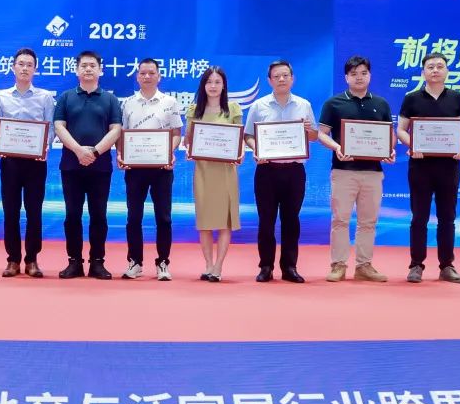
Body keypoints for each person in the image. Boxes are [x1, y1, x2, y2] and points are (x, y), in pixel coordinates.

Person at [317, 55, 395, 283]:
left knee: (368, 222)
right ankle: (338, 265)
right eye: (354, 74)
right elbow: (321, 133)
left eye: (363, 73)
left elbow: (389, 135)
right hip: (343, 170)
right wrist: (337, 147)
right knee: (340, 220)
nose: (359, 77)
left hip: (373, 172)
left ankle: (364, 266)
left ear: (370, 75)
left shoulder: (381, 104)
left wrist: (389, 150)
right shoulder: (334, 103)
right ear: (346, 77)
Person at [396, 52, 460, 284]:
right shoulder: (411, 98)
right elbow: (400, 130)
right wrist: (413, 145)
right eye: (430, 67)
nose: (435, 70)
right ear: (423, 72)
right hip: (420, 166)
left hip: (449, 166)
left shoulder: (457, 98)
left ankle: (447, 265)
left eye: (440, 66)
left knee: (447, 217)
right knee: (419, 217)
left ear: (447, 71)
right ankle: (416, 265)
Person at [243, 60, 317, 283]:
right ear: (269, 80)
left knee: (291, 220)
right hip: (266, 170)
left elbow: (314, 136)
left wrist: (308, 130)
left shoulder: (304, 105)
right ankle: (266, 266)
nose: (281, 79)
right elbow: (248, 135)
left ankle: (289, 267)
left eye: (285, 75)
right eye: (276, 76)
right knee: (266, 220)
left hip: (294, 171)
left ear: (293, 78)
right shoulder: (259, 106)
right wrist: (257, 149)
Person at [53, 50, 123, 279]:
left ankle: (97, 262)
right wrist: (78, 150)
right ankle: (74, 261)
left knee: (99, 215)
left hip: (100, 167)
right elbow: (59, 127)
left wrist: (94, 151)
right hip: (71, 166)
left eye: (93, 65)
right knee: (72, 215)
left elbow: (116, 129)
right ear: (76, 70)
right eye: (84, 65)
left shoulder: (110, 99)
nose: (88, 69)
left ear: (100, 70)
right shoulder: (66, 97)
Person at [0, 48, 56, 278]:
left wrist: (43, 146)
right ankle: (12, 259)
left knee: (34, 211)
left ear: (35, 69)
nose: (25, 68)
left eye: (29, 65)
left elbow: (51, 128)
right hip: (10, 162)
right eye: (21, 64)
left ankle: (32, 259)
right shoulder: (2, 97)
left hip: (35, 162)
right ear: (13, 67)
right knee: (10, 211)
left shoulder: (45, 97)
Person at [118, 58, 183, 281]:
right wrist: (121, 154)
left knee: (163, 218)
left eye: (151, 73)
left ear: (159, 76)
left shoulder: (169, 102)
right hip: (135, 169)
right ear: (137, 76)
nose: (147, 76)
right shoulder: (128, 103)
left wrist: (168, 152)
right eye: (143, 73)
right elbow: (121, 134)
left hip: (162, 169)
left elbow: (176, 134)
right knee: (133, 217)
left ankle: (163, 262)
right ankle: (135, 262)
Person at [184, 66, 242, 282]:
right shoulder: (194, 110)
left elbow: (239, 140)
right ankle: (208, 264)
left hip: (226, 172)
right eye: (209, 82)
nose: (213, 86)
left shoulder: (233, 109)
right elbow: (188, 140)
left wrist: (238, 153)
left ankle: (218, 266)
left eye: (217, 82)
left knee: (225, 222)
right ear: (203, 85)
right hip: (203, 171)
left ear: (224, 85)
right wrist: (189, 147)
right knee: (205, 221)